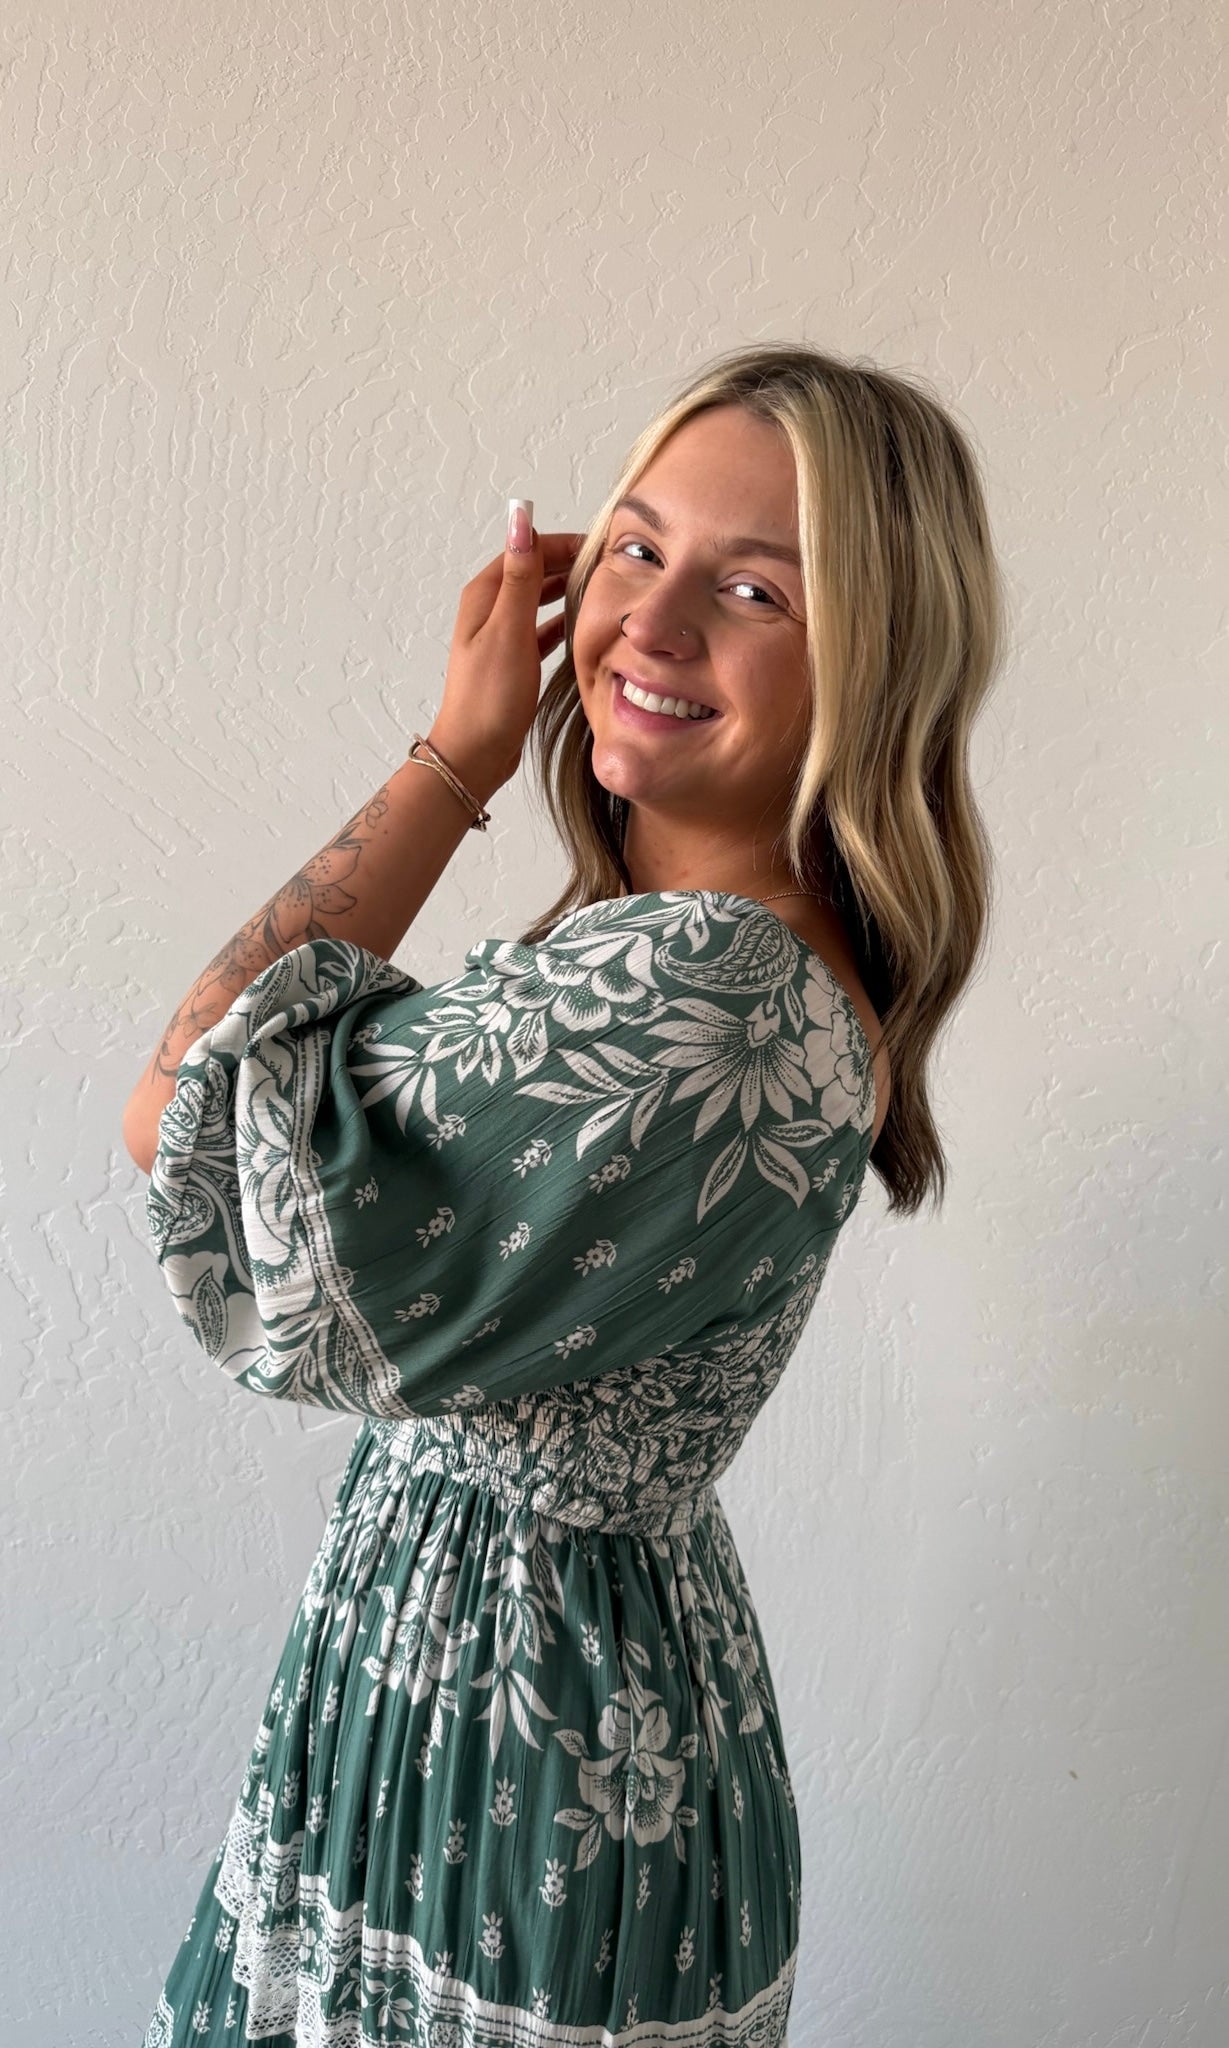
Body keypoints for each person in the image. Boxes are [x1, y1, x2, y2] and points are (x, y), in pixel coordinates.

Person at [125, 341, 1007, 2046]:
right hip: (519, 1702)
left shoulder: (704, 987)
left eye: (752, 588)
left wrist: (453, 753)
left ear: (878, 659)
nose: (649, 625)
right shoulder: (696, 957)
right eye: (635, 548)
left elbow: (185, 1118)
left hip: (514, 1755)